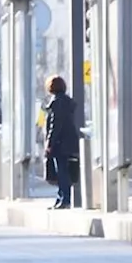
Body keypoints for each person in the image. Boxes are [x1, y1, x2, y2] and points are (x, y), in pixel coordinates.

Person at [42, 75, 80, 210]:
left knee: (62, 172)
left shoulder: (56, 103)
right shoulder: (67, 102)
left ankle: (64, 199)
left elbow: (55, 125)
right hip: (68, 141)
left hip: (60, 143)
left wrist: (49, 143)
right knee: (63, 171)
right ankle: (61, 198)